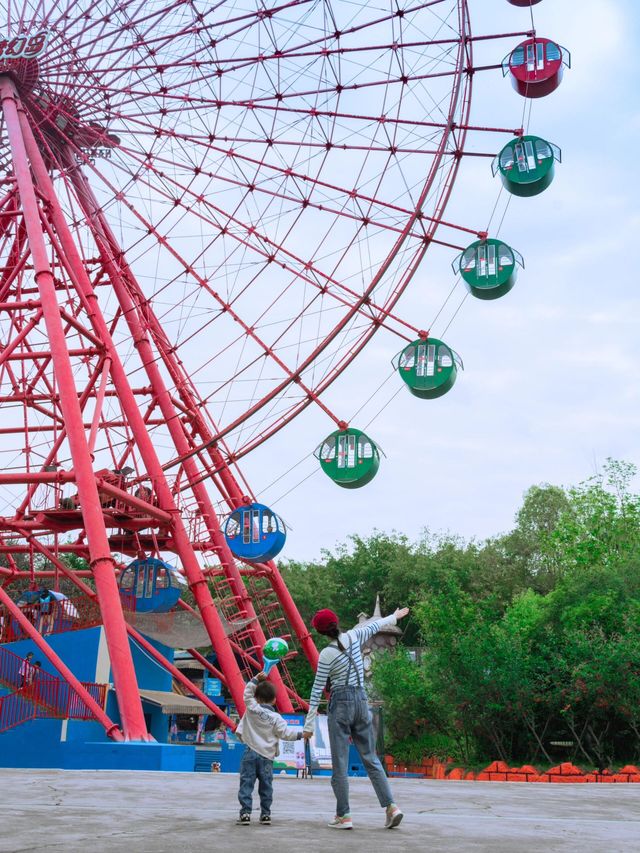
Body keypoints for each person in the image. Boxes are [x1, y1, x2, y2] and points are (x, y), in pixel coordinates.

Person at [303, 605, 410, 830]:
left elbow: (316, 690)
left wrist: (309, 724)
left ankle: (344, 815)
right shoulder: (354, 635)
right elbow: (376, 625)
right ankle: (391, 807)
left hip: (340, 705)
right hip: (362, 701)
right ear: (337, 621)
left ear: (320, 632)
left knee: (340, 764)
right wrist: (395, 616)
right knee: (370, 757)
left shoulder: (326, 653)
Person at [235, 671, 304, 826]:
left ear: (257, 698)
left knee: (246, 783)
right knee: (266, 785)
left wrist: (254, 679)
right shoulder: (277, 718)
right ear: (274, 700)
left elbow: (247, 694)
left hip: (250, 752)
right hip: (267, 756)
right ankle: (265, 814)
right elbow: (286, 734)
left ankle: (245, 813)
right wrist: (301, 734)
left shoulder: (252, 709)